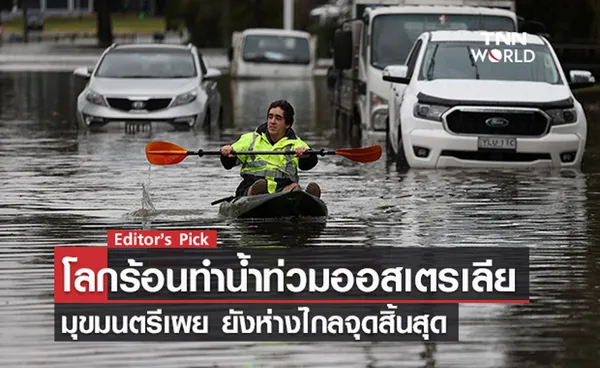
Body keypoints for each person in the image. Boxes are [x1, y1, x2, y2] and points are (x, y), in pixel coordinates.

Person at [220, 99, 321, 198]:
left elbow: (309, 162)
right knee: (258, 187)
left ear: (288, 124)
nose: (272, 122)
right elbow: (229, 163)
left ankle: (307, 198)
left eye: (278, 118)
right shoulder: (250, 139)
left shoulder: (296, 144)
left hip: (282, 189)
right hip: (252, 186)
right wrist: (227, 153)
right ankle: (257, 194)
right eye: (270, 117)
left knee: (295, 187)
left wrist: (306, 156)